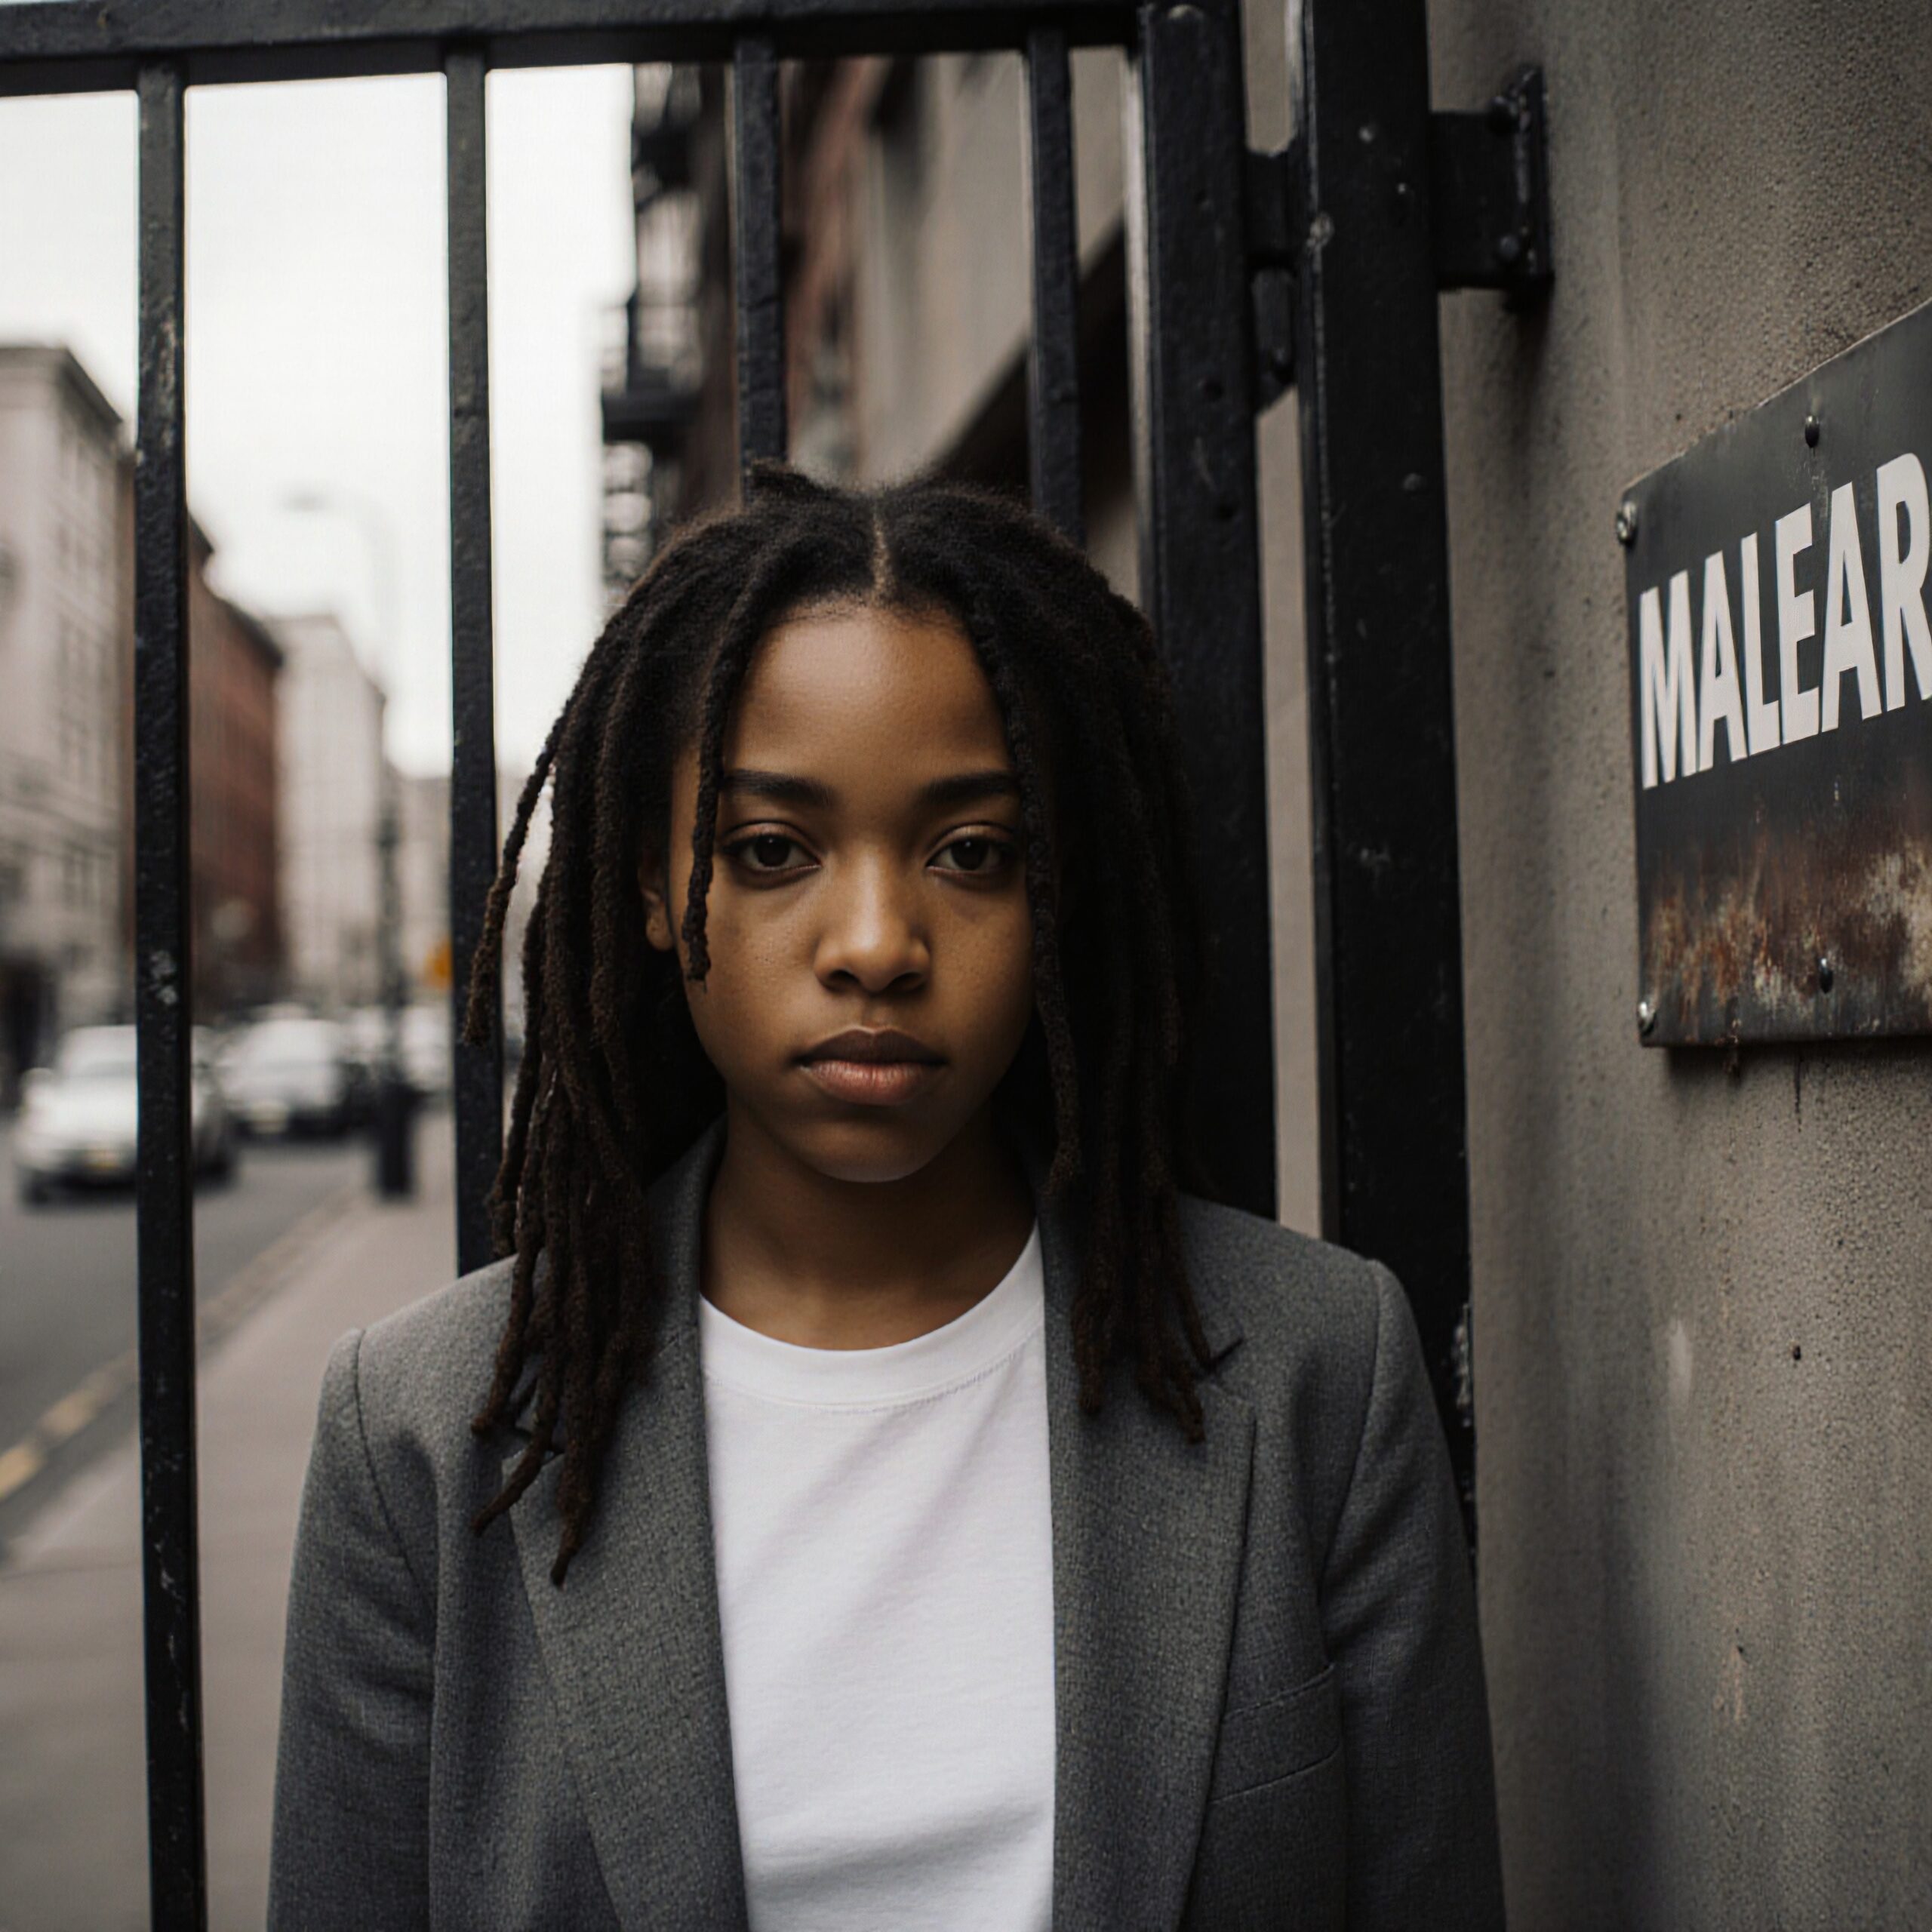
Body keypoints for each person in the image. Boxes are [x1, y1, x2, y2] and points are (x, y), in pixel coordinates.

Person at [268, 464, 1505, 1930]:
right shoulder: (419, 1433)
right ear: (656, 886)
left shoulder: (1319, 1369)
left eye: (971, 852)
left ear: (1057, 887)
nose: (874, 942)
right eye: (770, 850)